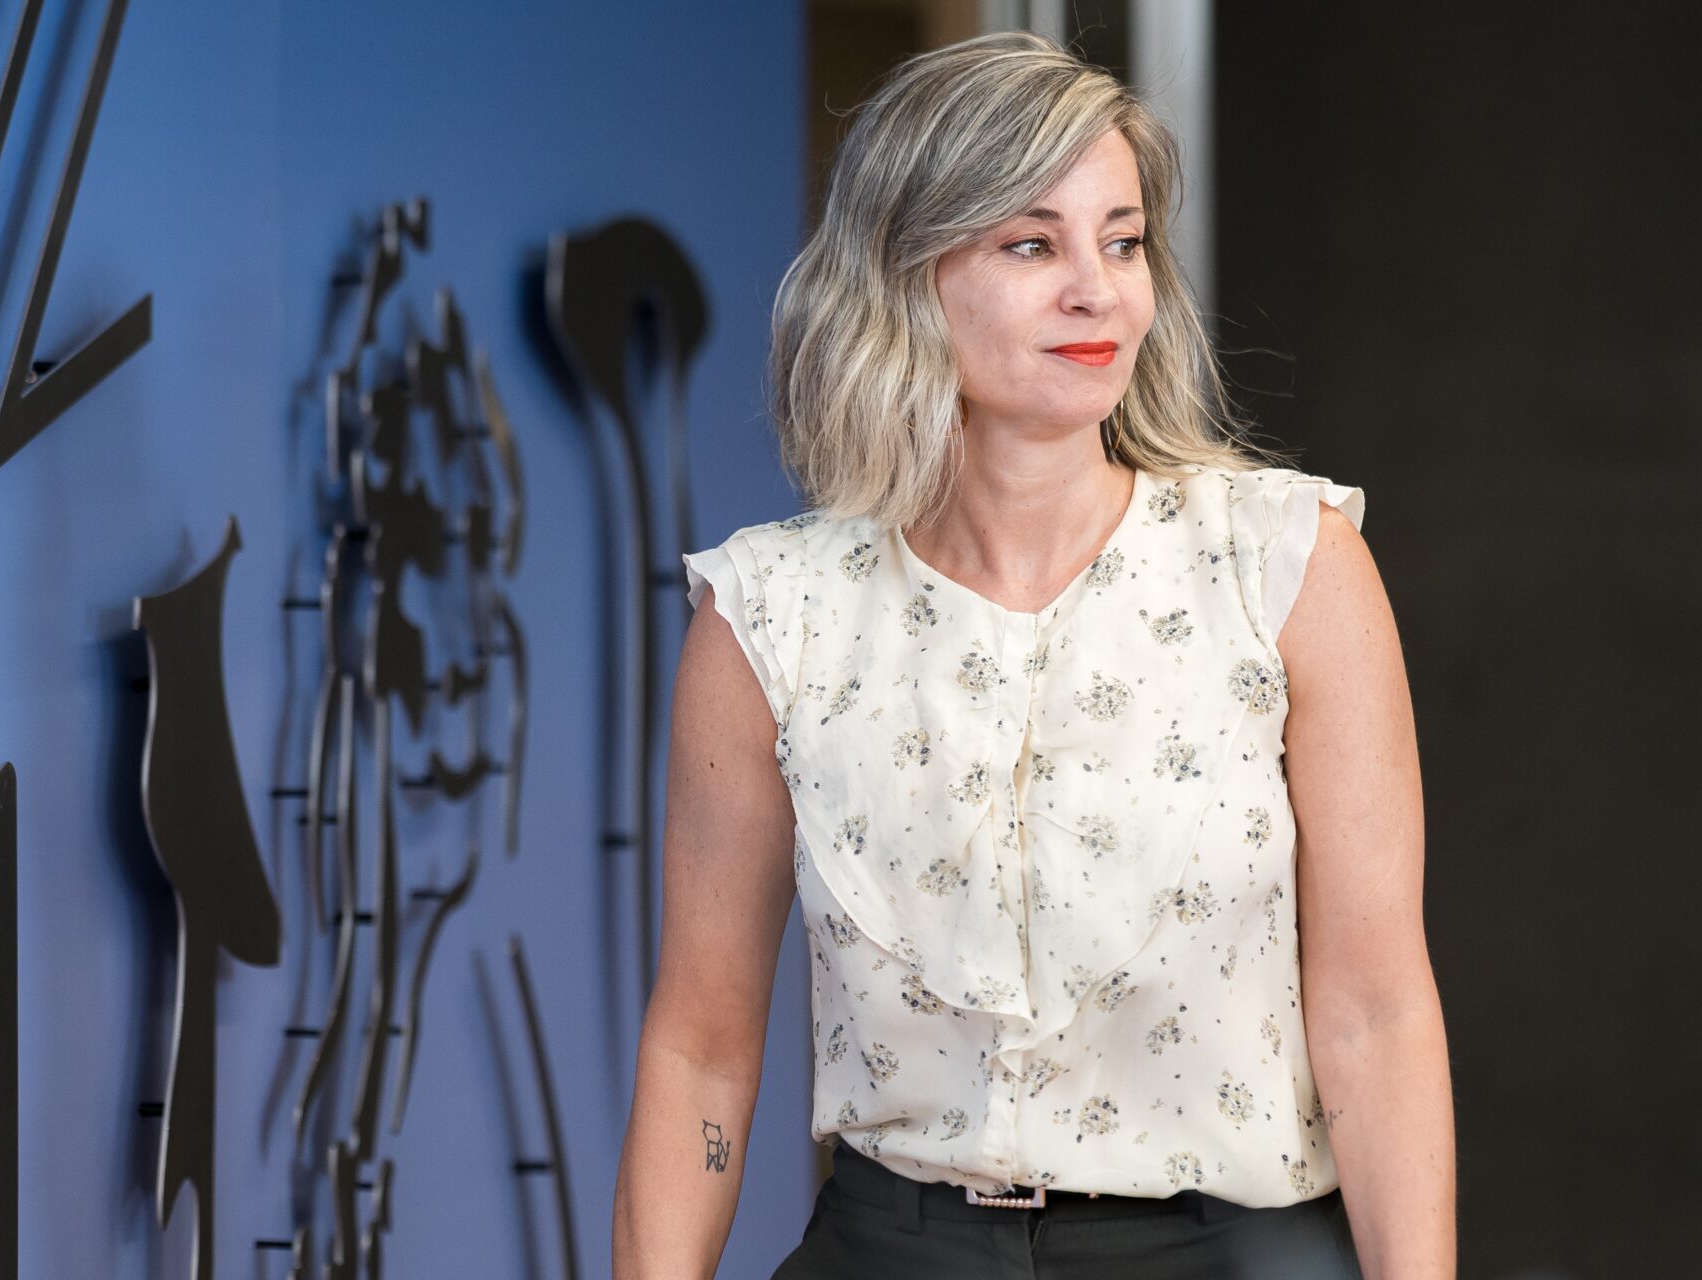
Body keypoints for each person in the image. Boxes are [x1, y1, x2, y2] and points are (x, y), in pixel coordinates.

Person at [613, 30, 1454, 1280]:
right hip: (892, 1248)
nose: (1096, 290)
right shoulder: (771, 614)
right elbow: (700, 1043)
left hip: (1232, 1250)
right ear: (904, 274)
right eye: (1031, 244)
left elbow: (1376, 1014)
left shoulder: (1288, 566)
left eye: (1122, 241)